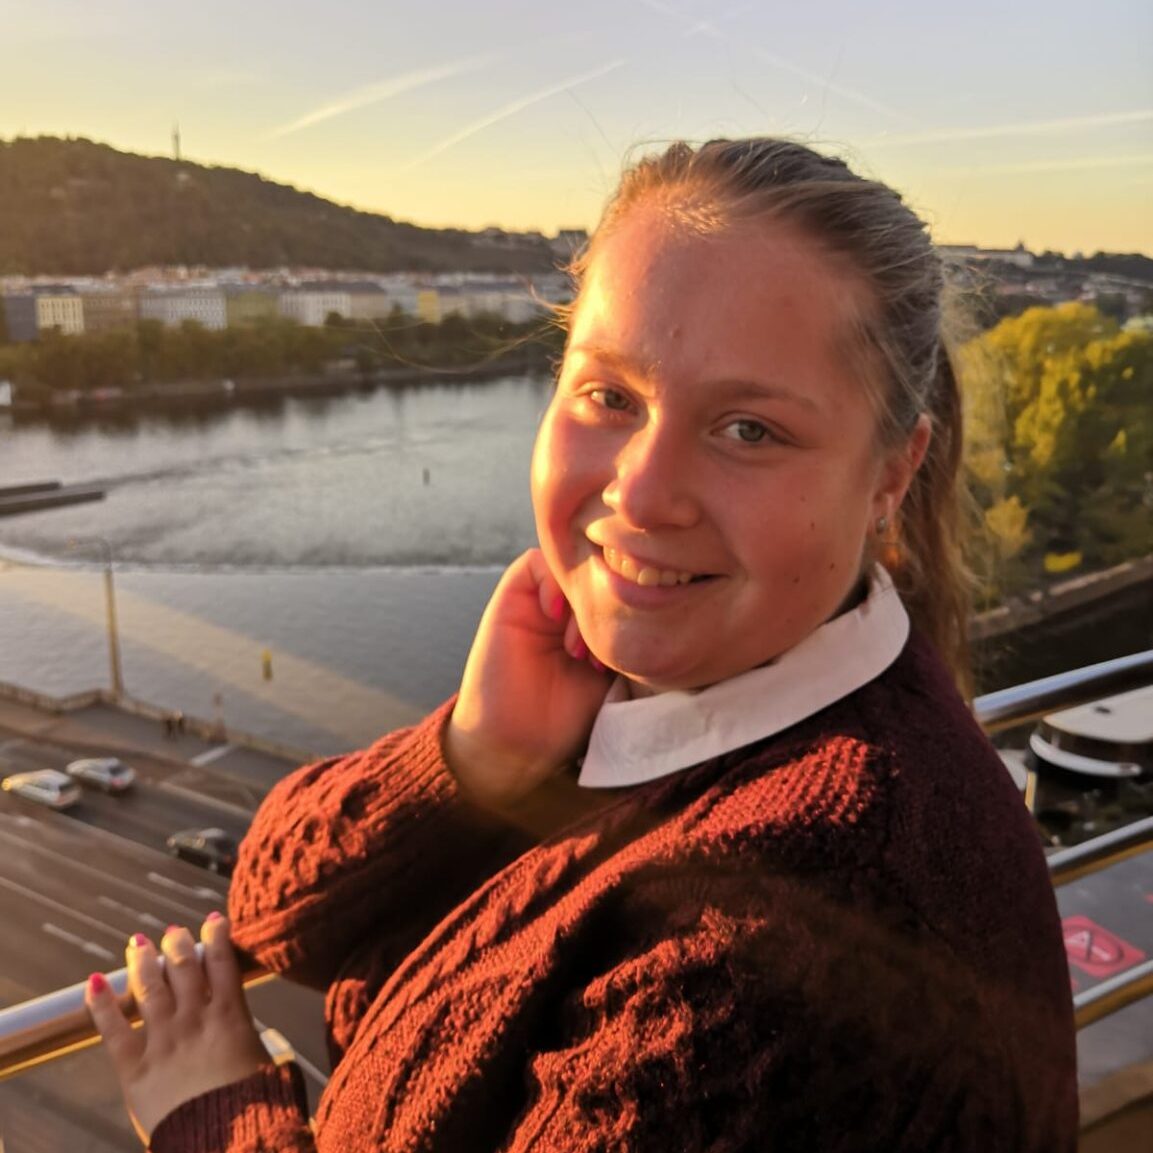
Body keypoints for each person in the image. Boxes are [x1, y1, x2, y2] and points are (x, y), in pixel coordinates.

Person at [87, 138, 1078, 1151]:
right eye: (610, 396)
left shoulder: (794, 935)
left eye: (749, 429)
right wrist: (473, 756)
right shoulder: (678, 708)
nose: (639, 492)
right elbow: (268, 914)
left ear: (890, 474)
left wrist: (213, 1115)